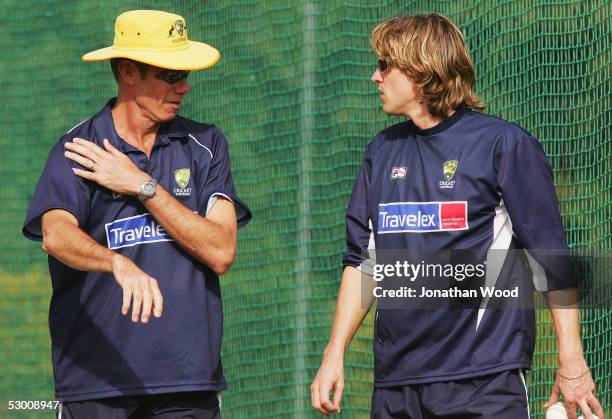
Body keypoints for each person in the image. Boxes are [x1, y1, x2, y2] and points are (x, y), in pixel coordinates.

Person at [310, 13, 605, 419]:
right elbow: (363, 262)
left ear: (420, 70)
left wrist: (571, 361)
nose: (375, 78)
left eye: (384, 65)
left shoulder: (504, 144)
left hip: (484, 381)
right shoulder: (381, 151)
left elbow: (551, 258)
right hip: (396, 386)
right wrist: (334, 354)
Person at [22, 10, 251, 419]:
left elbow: (220, 251)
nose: (184, 86)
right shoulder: (78, 148)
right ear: (128, 72)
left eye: (185, 74)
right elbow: (56, 236)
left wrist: (142, 187)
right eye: (169, 75)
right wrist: (117, 263)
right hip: (96, 383)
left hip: (187, 383)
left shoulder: (206, 144)